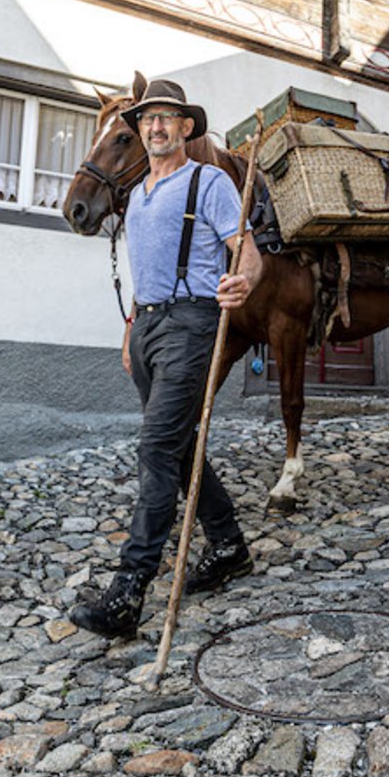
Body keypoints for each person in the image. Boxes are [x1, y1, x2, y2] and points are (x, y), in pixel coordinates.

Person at [69, 79, 263, 640]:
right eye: (147, 119)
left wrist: (243, 282)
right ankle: (228, 545)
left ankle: (129, 591)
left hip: (191, 325)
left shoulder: (208, 182)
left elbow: (247, 253)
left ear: (185, 127)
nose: (156, 127)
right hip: (148, 328)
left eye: (166, 118)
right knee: (179, 446)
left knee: (156, 447)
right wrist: (132, 329)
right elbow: (146, 270)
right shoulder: (138, 195)